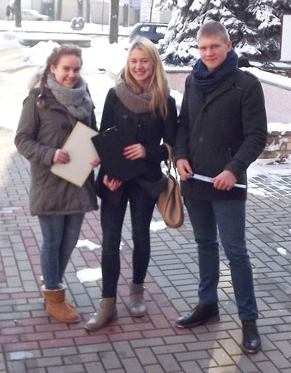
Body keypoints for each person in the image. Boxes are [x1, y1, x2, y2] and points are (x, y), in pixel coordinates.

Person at [174, 21, 268, 355]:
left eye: (215, 46)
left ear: (228, 46)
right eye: (203, 47)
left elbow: (257, 135)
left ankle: (249, 321)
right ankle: (207, 305)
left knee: (236, 252)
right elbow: (184, 124)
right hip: (195, 180)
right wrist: (180, 156)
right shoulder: (193, 80)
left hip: (228, 183)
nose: (209, 53)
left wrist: (233, 169)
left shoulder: (246, 84)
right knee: (204, 244)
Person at [85, 37, 177, 330]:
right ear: (128, 63)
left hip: (145, 181)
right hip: (114, 179)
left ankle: (137, 290)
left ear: (153, 63)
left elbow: (171, 147)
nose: (139, 66)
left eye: (144, 60)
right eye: (134, 61)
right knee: (110, 242)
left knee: (140, 237)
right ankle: (107, 303)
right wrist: (107, 175)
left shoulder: (165, 101)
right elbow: (105, 137)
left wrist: (147, 151)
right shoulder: (115, 95)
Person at [15, 45, 98, 324]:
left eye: (76, 69)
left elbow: (93, 134)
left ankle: (53, 284)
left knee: (70, 240)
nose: (71, 74)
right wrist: (49, 154)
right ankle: (53, 296)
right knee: (52, 241)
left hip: (78, 180)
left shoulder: (85, 96)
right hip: (50, 182)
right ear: (53, 68)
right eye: (65, 68)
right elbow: (22, 140)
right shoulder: (37, 99)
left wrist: (96, 153)